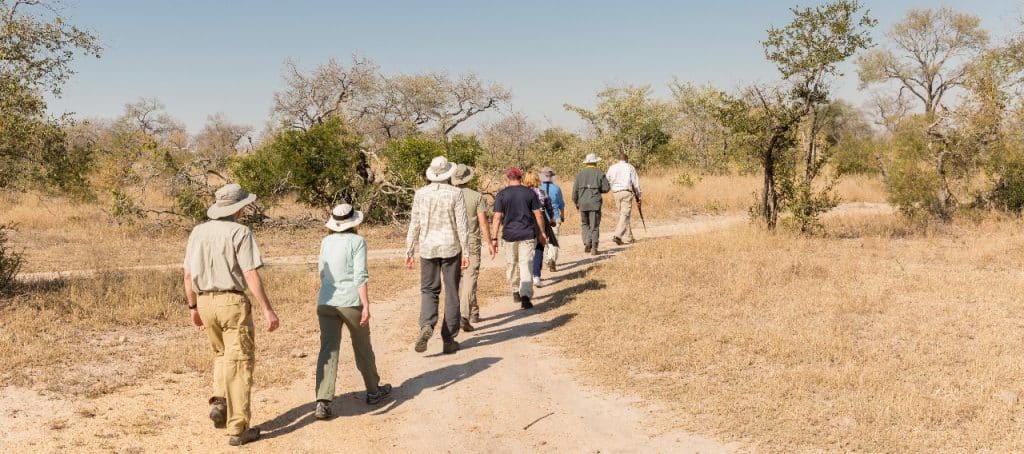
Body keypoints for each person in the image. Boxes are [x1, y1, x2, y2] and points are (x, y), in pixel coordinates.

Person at [183, 183, 280, 447]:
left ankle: (219, 401)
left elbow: (188, 275)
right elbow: (250, 273)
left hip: (204, 302)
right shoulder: (241, 232)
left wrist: (193, 308)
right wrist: (266, 308)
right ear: (239, 207)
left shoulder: (198, 232)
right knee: (239, 362)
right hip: (232, 302)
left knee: (221, 355)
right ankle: (238, 428)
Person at [313, 203, 393, 421]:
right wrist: (366, 304)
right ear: (353, 223)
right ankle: (373, 391)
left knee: (328, 350)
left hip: (326, 301)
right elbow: (360, 275)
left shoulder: (326, 241)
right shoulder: (358, 242)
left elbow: (322, 272)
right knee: (362, 347)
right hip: (350, 301)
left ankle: (323, 400)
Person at [405, 156, 470, 355]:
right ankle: (449, 338)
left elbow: (414, 223)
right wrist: (466, 251)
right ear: (448, 173)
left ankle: (427, 324)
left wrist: (409, 250)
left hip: (427, 247)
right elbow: (462, 225)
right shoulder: (456, 193)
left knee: (428, 290)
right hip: (451, 247)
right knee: (452, 291)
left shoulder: (421, 194)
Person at [490, 167, 548, 309]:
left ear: (507, 178)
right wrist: (542, 232)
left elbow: (497, 217)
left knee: (511, 263)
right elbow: (538, 214)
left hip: (509, 235)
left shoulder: (502, 194)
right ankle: (525, 296)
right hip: (527, 233)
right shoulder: (529, 193)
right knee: (526, 263)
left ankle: (515, 290)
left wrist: (494, 238)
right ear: (520, 177)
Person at [450, 164, 496, 332]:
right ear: (469, 179)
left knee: (462, 278)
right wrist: (490, 242)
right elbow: (483, 222)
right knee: (470, 277)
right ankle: (463, 314)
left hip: (452, 242)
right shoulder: (477, 196)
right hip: (471, 241)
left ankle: (473, 312)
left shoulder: (450, 195)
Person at [523, 172, 558, 288]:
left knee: (526, 250)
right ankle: (536, 276)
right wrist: (552, 219)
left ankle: (526, 276)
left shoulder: (523, 193)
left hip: (526, 222)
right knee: (539, 248)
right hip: (540, 221)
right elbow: (549, 207)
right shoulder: (542, 192)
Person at [572, 153, 611, 255]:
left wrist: (576, 202)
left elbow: (574, 191)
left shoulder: (580, 174)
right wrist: (597, 190)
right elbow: (606, 188)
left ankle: (586, 242)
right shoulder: (600, 173)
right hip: (594, 203)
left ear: (587, 163)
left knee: (585, 224)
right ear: (596, 162)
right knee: (594, 225)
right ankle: (594, 247)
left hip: (582, 203)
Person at [607, 152, 642, 245]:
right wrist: (639, 196)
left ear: (619, 159)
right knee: (625, 215)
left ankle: (630, 237)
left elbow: (607, 180)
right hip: (626, 192)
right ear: (626, 159)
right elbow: (636, 183)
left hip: (615, 193)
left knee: (623, 215)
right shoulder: (630, 167)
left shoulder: (612, 167)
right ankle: (617, 236)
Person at [539, 167, 565, 272]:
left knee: (544, 239)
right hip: (554, 217)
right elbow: (561, 204)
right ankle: (552, 259)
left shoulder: (539, 188)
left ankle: (548, 259)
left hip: (542, 218)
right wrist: (562, 215)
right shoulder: (557, 188)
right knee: (554, 239)